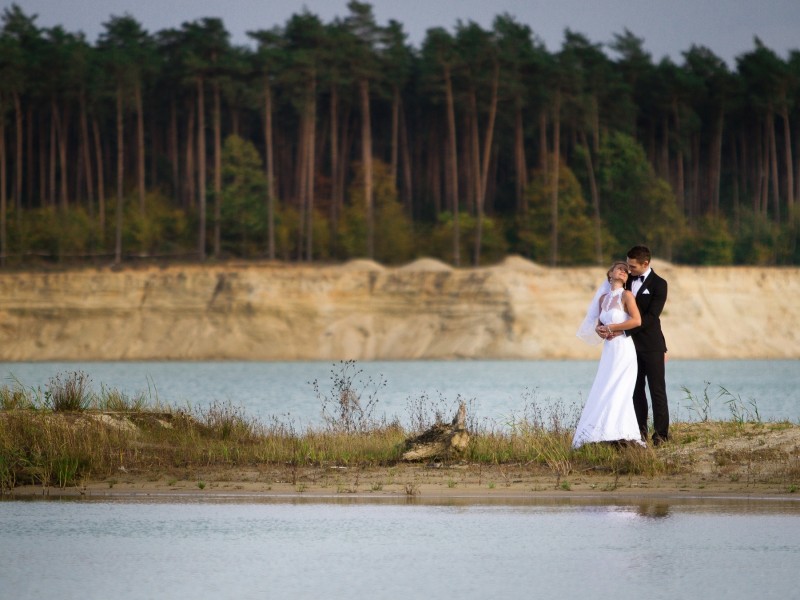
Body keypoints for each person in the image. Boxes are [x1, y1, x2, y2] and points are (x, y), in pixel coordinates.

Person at [573, 261, 644, 448]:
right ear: (610, 273)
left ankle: (621, 432)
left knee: (619, 388)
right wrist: (600, 330)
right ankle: (601, 431)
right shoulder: (602, 299)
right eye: (620, 268)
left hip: (623, 349)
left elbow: (636, 321)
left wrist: (613, 327)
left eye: (626, 271)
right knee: (604, 386)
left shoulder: (627, 295)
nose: (624, 272)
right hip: (609, 351)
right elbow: (599, 323)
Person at [622, 245, 670, 445]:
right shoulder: (627, 281)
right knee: (636, 390)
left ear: (645, 264)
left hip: (652, 345)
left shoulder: (660, 284)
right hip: (630, 346)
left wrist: (626, 329)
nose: (629, 269)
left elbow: (651, 316)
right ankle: (639, 433)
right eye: (628, 265)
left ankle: (661, 435)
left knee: (657, 389)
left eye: (633, 267)